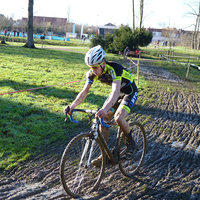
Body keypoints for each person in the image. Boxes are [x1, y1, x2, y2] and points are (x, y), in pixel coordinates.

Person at [64, 45, 138, 167]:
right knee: (103, 119)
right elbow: (84, 91)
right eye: (90, 67)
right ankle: (106, 155)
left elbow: (115, 91)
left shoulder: (115, 69)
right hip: (117, 93)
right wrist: (73, 105)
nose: (93, 70)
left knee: (119, 118)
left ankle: (131, 143)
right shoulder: (92, 73)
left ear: (103, 63)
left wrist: (105, 108)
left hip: (129, 92)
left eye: (95, 67)